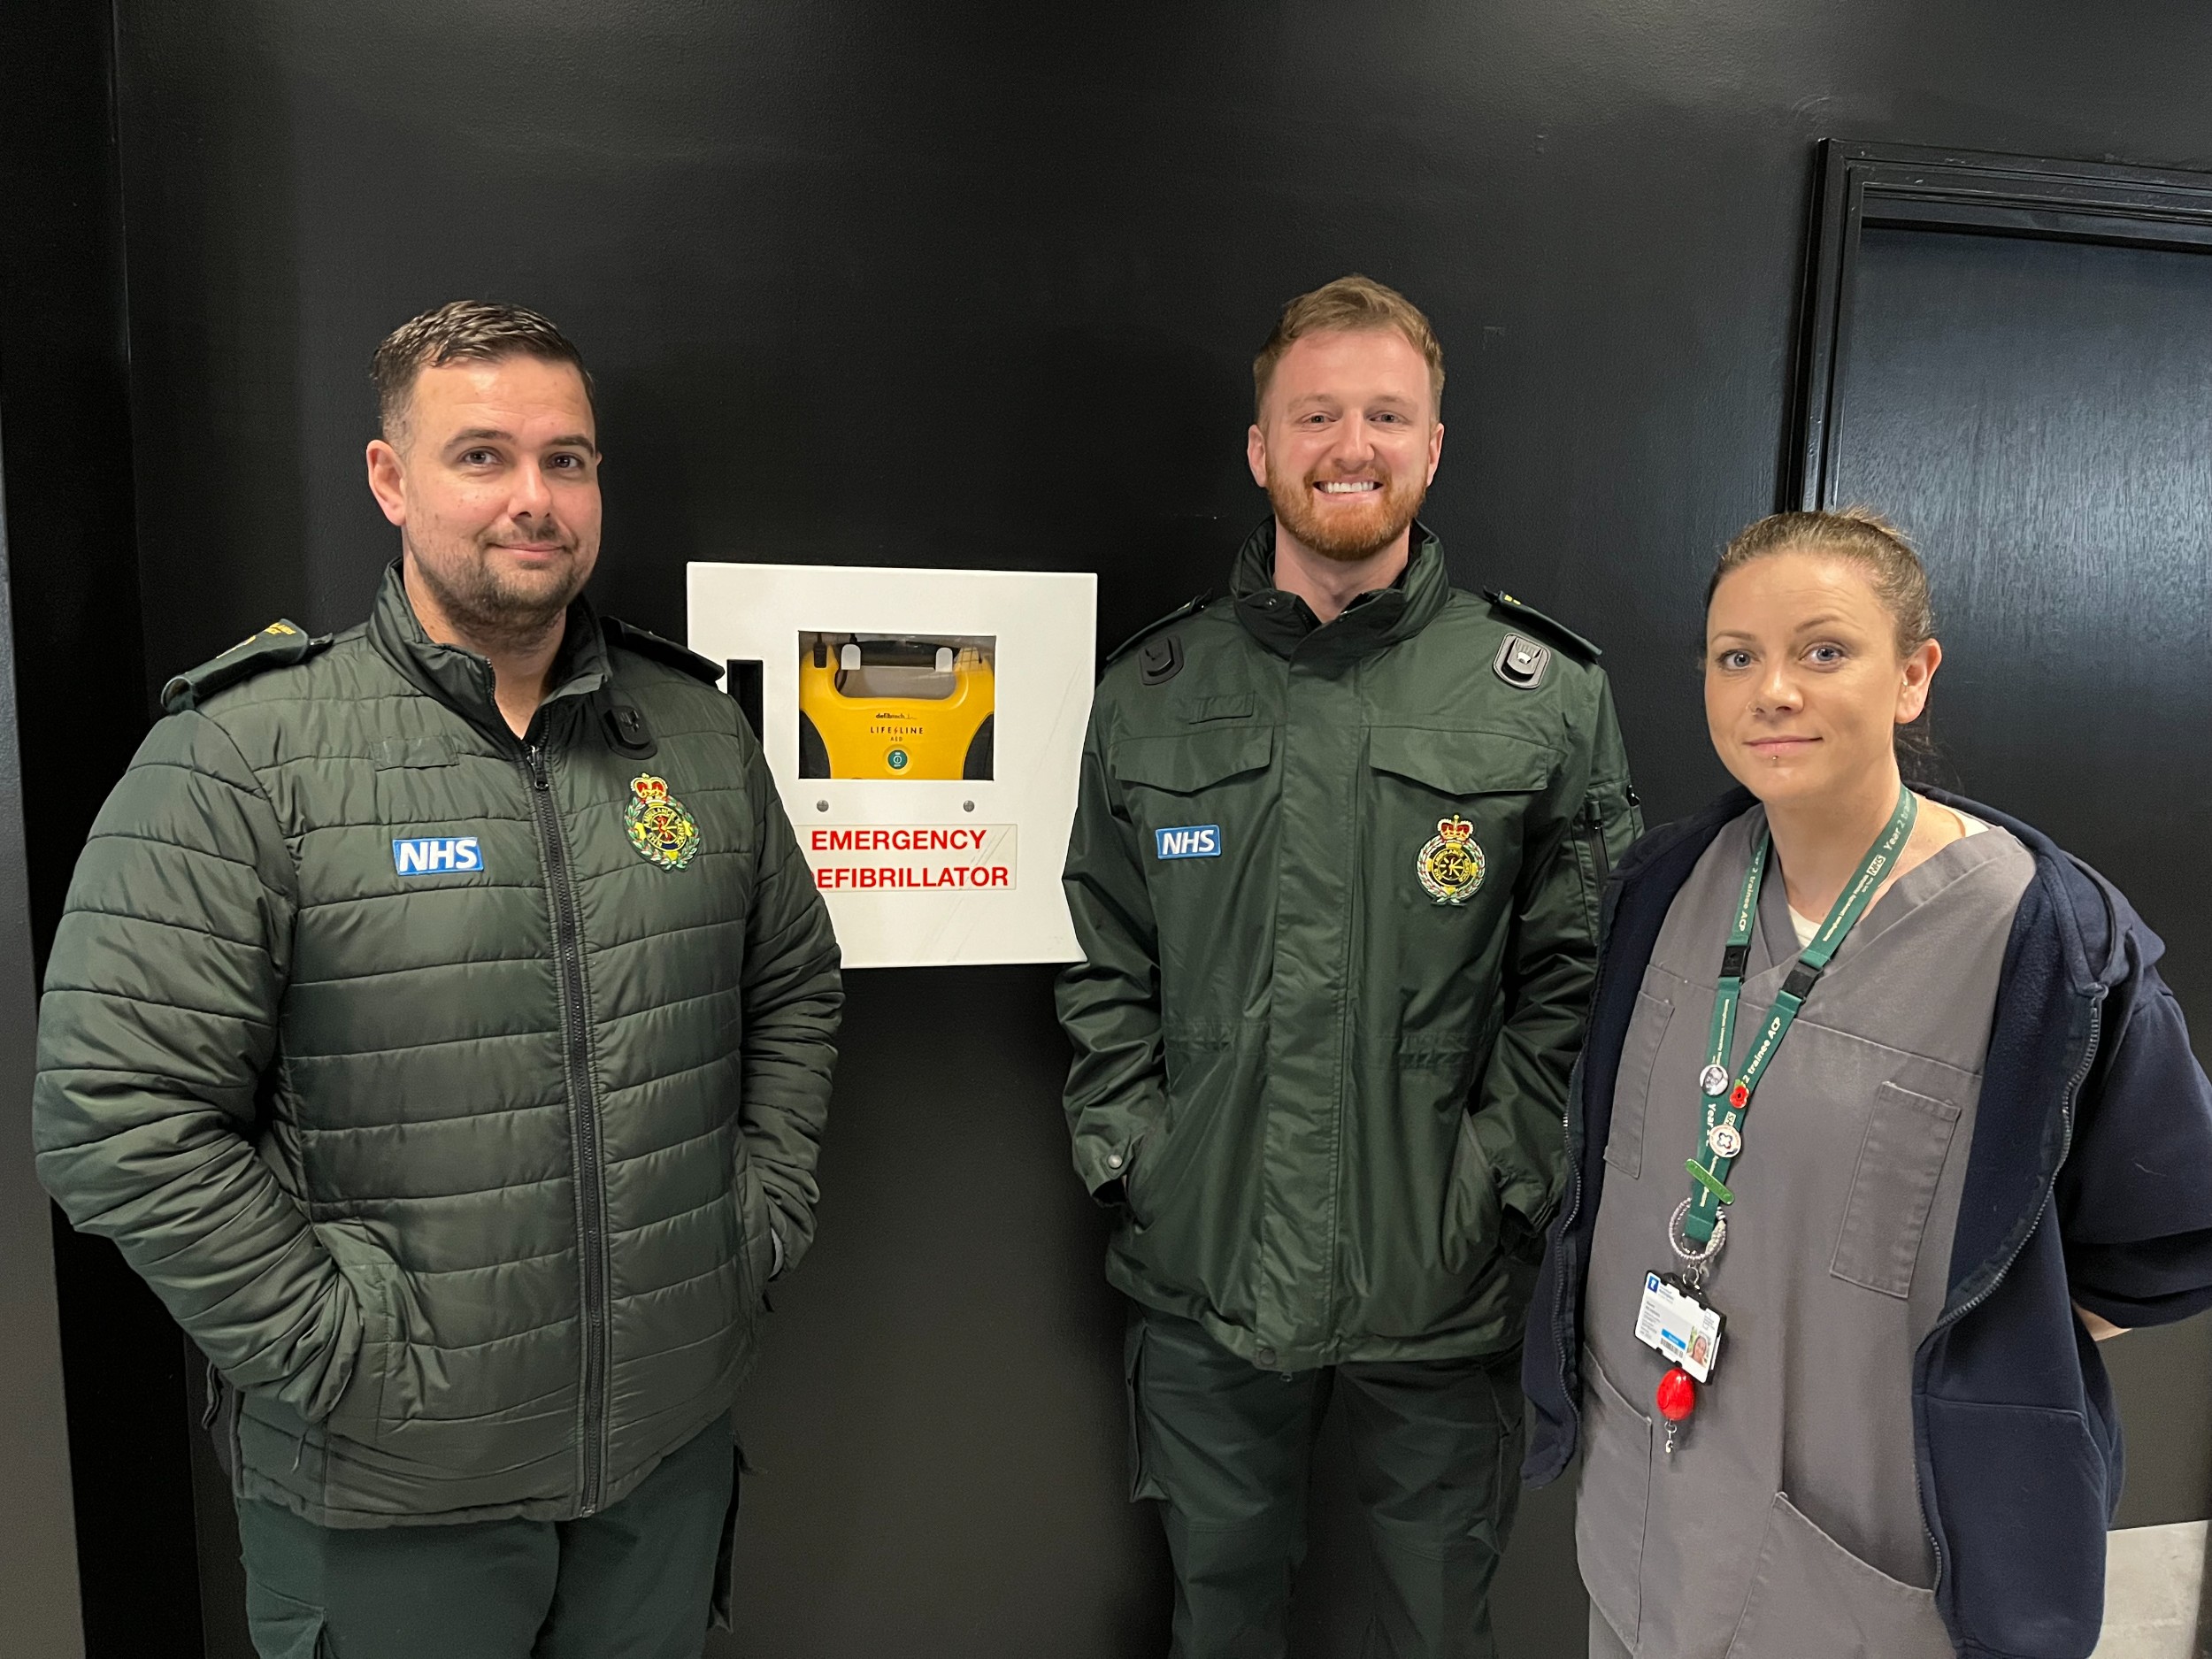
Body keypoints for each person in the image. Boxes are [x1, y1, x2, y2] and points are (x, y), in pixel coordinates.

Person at [34, 301, 842, 1659]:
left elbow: (795, 986)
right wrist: (340, 1349)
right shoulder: (248, 756)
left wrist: (749, 1223)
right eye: (483, 456)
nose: (535, 499)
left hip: (662, 1458)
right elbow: (112, 1112)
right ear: (390, 477)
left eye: (567, 460)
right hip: (389, 1500)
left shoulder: (694, 735)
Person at [1056, 273, 1641, 1658]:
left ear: (1432, 448)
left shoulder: (1544, 696)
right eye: (1315, 413)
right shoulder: (1153, 691)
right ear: (1260, 449)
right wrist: (1138, 1148)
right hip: (1203, 1271)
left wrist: (1506, 1174)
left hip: (1444, 1285)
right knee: (1219, 1620)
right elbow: (1103, 949)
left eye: (1387, 413)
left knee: (1440, 1630)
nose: (1351, 444)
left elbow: (1586, 977)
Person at [1522, 508, 2212, 1658]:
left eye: (1824, 651)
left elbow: (2175, 1230)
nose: (1773, 689)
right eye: (1737, 657)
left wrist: (2000, 1350)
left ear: (1913, 675)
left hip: (1867, 1579)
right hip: (1648, 1529)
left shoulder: (2042, 940)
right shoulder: (1666, 889)